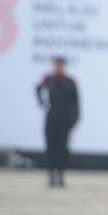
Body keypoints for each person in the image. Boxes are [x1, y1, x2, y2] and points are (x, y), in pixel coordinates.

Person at [35, 56, 79, 188]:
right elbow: (37, 89)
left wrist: (74, 119)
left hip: (65, 120)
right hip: (51, 118)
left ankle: (60, 174)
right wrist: (42, 102)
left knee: (63, 149)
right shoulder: (48, 79)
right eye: (56, 65)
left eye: (60, 65)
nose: (58, 67)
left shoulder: (70, 82)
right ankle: (51, 174)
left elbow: (76, 103)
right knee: (51, 148)